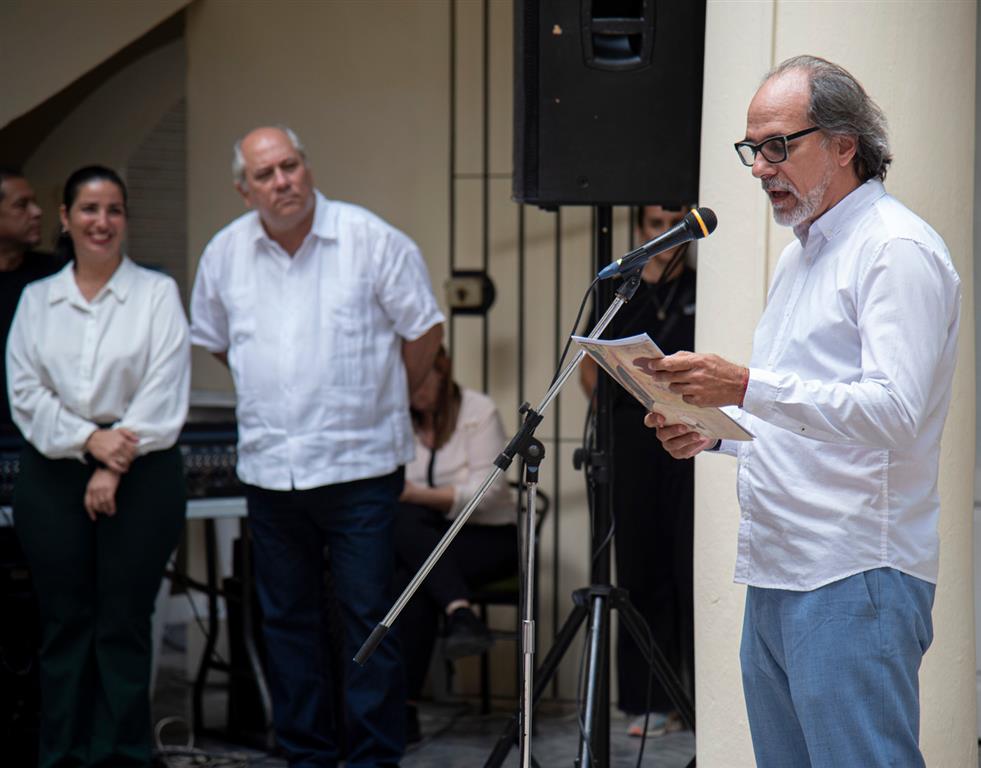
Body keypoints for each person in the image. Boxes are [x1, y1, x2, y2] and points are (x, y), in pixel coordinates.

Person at [645, 56, 960, 767]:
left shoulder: (895, 249)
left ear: (844, 145)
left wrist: (742, 385)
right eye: (752, 148)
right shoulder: (800, 256)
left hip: (854, 569)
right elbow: (804, 415)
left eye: (777, 145)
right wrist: (714, 435)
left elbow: (894, 413)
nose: (760, 167)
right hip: (777, 567)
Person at [190, 125, 444, 768]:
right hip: (271, 472)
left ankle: (373, 759)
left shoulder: (370, 238)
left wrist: (383, 398)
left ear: (306, 166)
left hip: (361, 469)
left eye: (290, 166)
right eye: (266, 174)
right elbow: (218, 343)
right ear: (244, 190)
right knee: (286, 624)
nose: (283, 182)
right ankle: (306, 755)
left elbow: (424, 330)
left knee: (368, 620)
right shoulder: (224, 254)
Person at [7, 165, 190, 767]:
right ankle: (63, 755)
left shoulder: (156, 293)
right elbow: (25, 393)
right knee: (65, 622)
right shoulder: (38, 300)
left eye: (114, 210)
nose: (102, 222)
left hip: (144, 472)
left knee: (124, 622)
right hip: (53, 473)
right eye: (89, 209)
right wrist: (90, 441)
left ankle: (123, 756)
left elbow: (164, 385)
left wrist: (113, 461)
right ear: (65, 218)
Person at [579, 205, 695, 738]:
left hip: (693, 434)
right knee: (639, 562)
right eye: (655, 224)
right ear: (639, 230)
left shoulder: (702, 286)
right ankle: (648, 700)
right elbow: (588, 370)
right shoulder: (617, 288)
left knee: (688, 561)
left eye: (674, 224)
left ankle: (697, 698)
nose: (665, 236)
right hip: (631, 436)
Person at [394, 345, 516, 740]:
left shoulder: (478, 411)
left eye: (420, 375)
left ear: (442, 370)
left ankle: (403, 711)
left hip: (486, 536)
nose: (413, 387)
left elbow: (489, 493)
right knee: (410, 562)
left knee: (413, 570)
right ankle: (460, 611)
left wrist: (417, 494)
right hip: (424, 538)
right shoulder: (396, 417)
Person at [0, 168, 62, 428]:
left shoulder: (56, 275)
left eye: (34, 202)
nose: (37, 212)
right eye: (21, 205)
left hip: (44, 427)